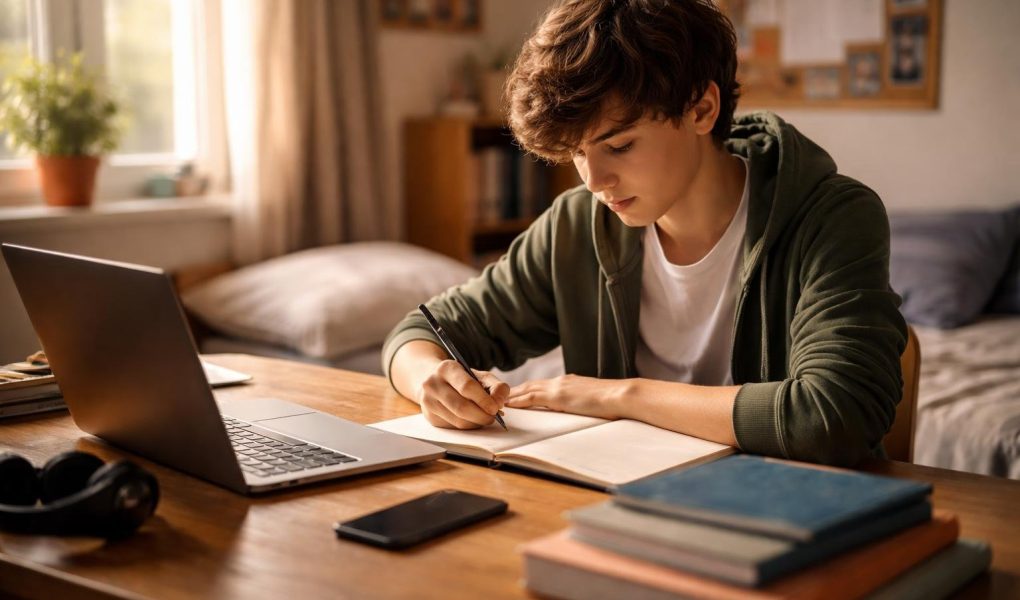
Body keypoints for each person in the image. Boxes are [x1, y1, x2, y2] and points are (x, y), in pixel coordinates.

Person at [382, 0, 907, 467]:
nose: (595, 182)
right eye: (577, 155)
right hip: (623, 510)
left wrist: (617, 396)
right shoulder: (577, 225)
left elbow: (836, 414)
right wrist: (431, 380)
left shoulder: (832, 216)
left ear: (701, 108)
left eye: (620, 145)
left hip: (797, 518)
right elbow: (418, 332)